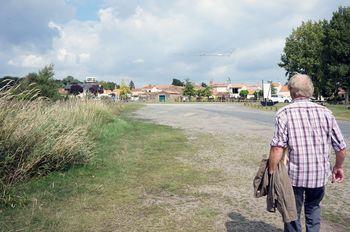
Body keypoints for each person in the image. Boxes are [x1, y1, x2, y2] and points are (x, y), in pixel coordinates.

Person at [268, 74, 347, 232]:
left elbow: (277, 148)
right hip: (318, 176)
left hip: (293, 177)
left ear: (291, 91)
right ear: (310, 91)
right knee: (313, 209)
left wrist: (271, 172)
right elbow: (341, 148)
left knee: (292, 213)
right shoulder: (326, 113)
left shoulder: (284, 113)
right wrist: (338, 166)